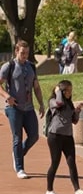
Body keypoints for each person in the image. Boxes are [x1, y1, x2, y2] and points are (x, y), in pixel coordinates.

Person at [0, 39, 46, 179]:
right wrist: (7, 96)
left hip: (29, 108)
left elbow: (36, 87)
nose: (24, 55)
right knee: (17, 137)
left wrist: (41, 103)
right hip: (13, 107)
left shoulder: (31, 66)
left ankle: (18, 154)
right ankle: (20, 168)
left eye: (26, 53)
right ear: (16, 51)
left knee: (34, 136)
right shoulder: (9, 66)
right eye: (22, 53)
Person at [44, 79, 83, 194]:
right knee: (55, 162)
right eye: (68, 90)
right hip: (55, 136)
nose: (70, 93)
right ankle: (49, 190)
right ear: (62, 91)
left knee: (72, 162)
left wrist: (77, 111)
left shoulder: (69, 103)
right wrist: (58, 92)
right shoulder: (53, 101)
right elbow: (59, 104)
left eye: (71, 90)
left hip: (68, 136)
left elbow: (74, 121)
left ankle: (77, 190)